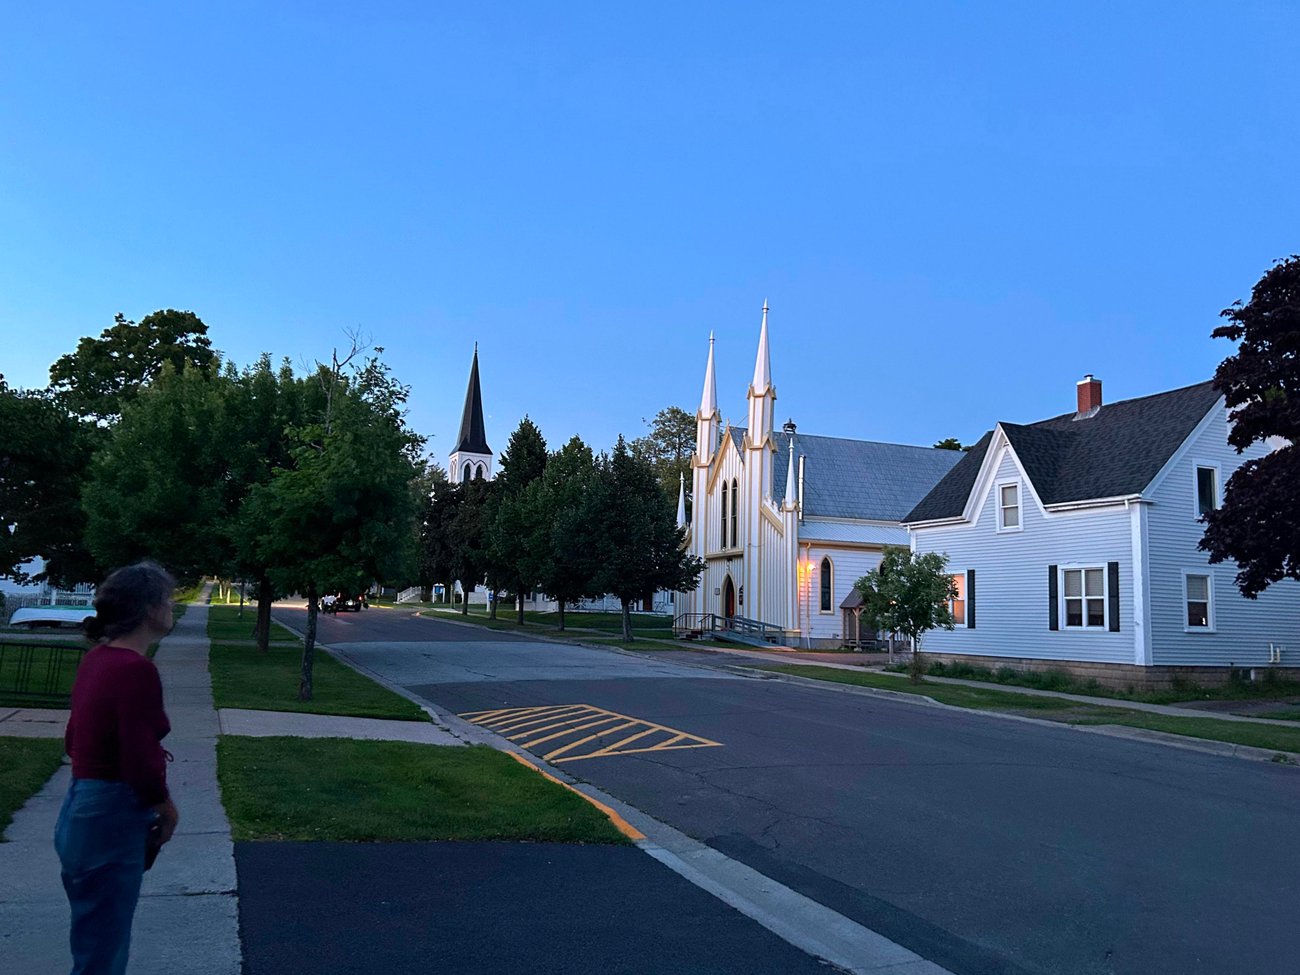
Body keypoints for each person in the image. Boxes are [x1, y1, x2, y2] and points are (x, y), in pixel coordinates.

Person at [56, 561, 180, 975]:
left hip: (81, 808)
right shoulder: (134, 670)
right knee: (102, 954)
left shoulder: (99, 660)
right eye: (166, 599)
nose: (172, 606)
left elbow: (75, 740)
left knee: (94, 940)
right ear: (147, 610)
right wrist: (164, 806)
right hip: (111, 814)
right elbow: (139, 758)